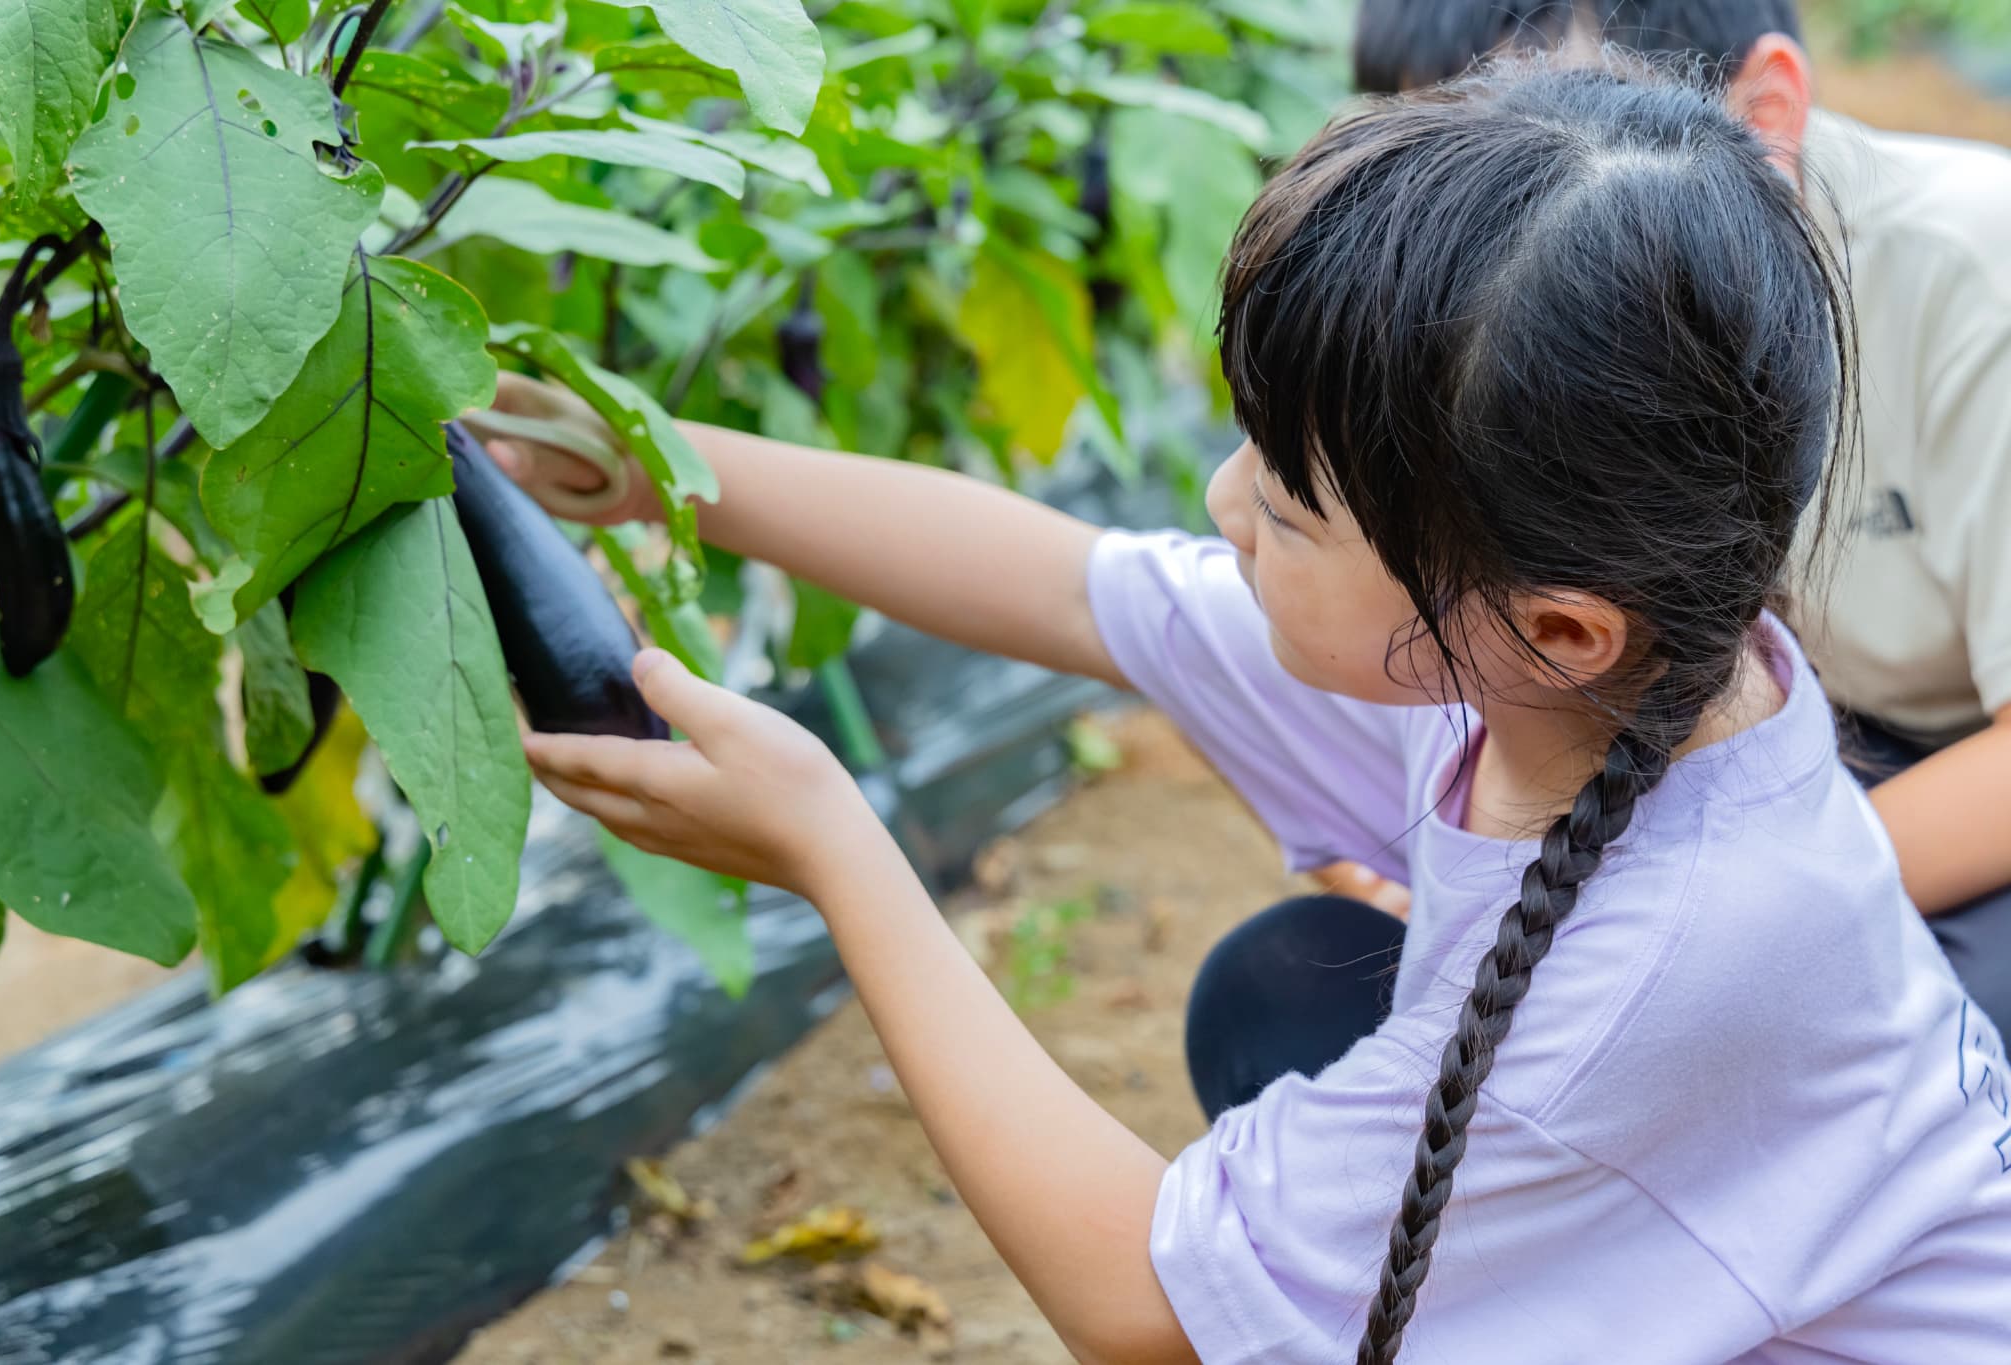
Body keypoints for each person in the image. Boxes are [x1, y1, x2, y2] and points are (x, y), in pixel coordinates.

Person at [482, 66, 2011, 1363]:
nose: (1222, 506)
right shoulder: (1607, 667)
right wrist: (659, 462)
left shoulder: (1660, 969)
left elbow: (1145, 1308)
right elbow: (1073, 588)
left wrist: (836, 848)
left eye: (1284, 506)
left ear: (1550, 625)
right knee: (1284, 993)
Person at [1336, 0, 2011, 1039]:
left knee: (1900, 1025)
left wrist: (1705, 922)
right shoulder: (1538, 314)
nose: (1484, 252)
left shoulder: (1975, 283)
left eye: (1537, 168)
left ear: (1767, 108)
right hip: (1808, 731)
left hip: (1955, 757)